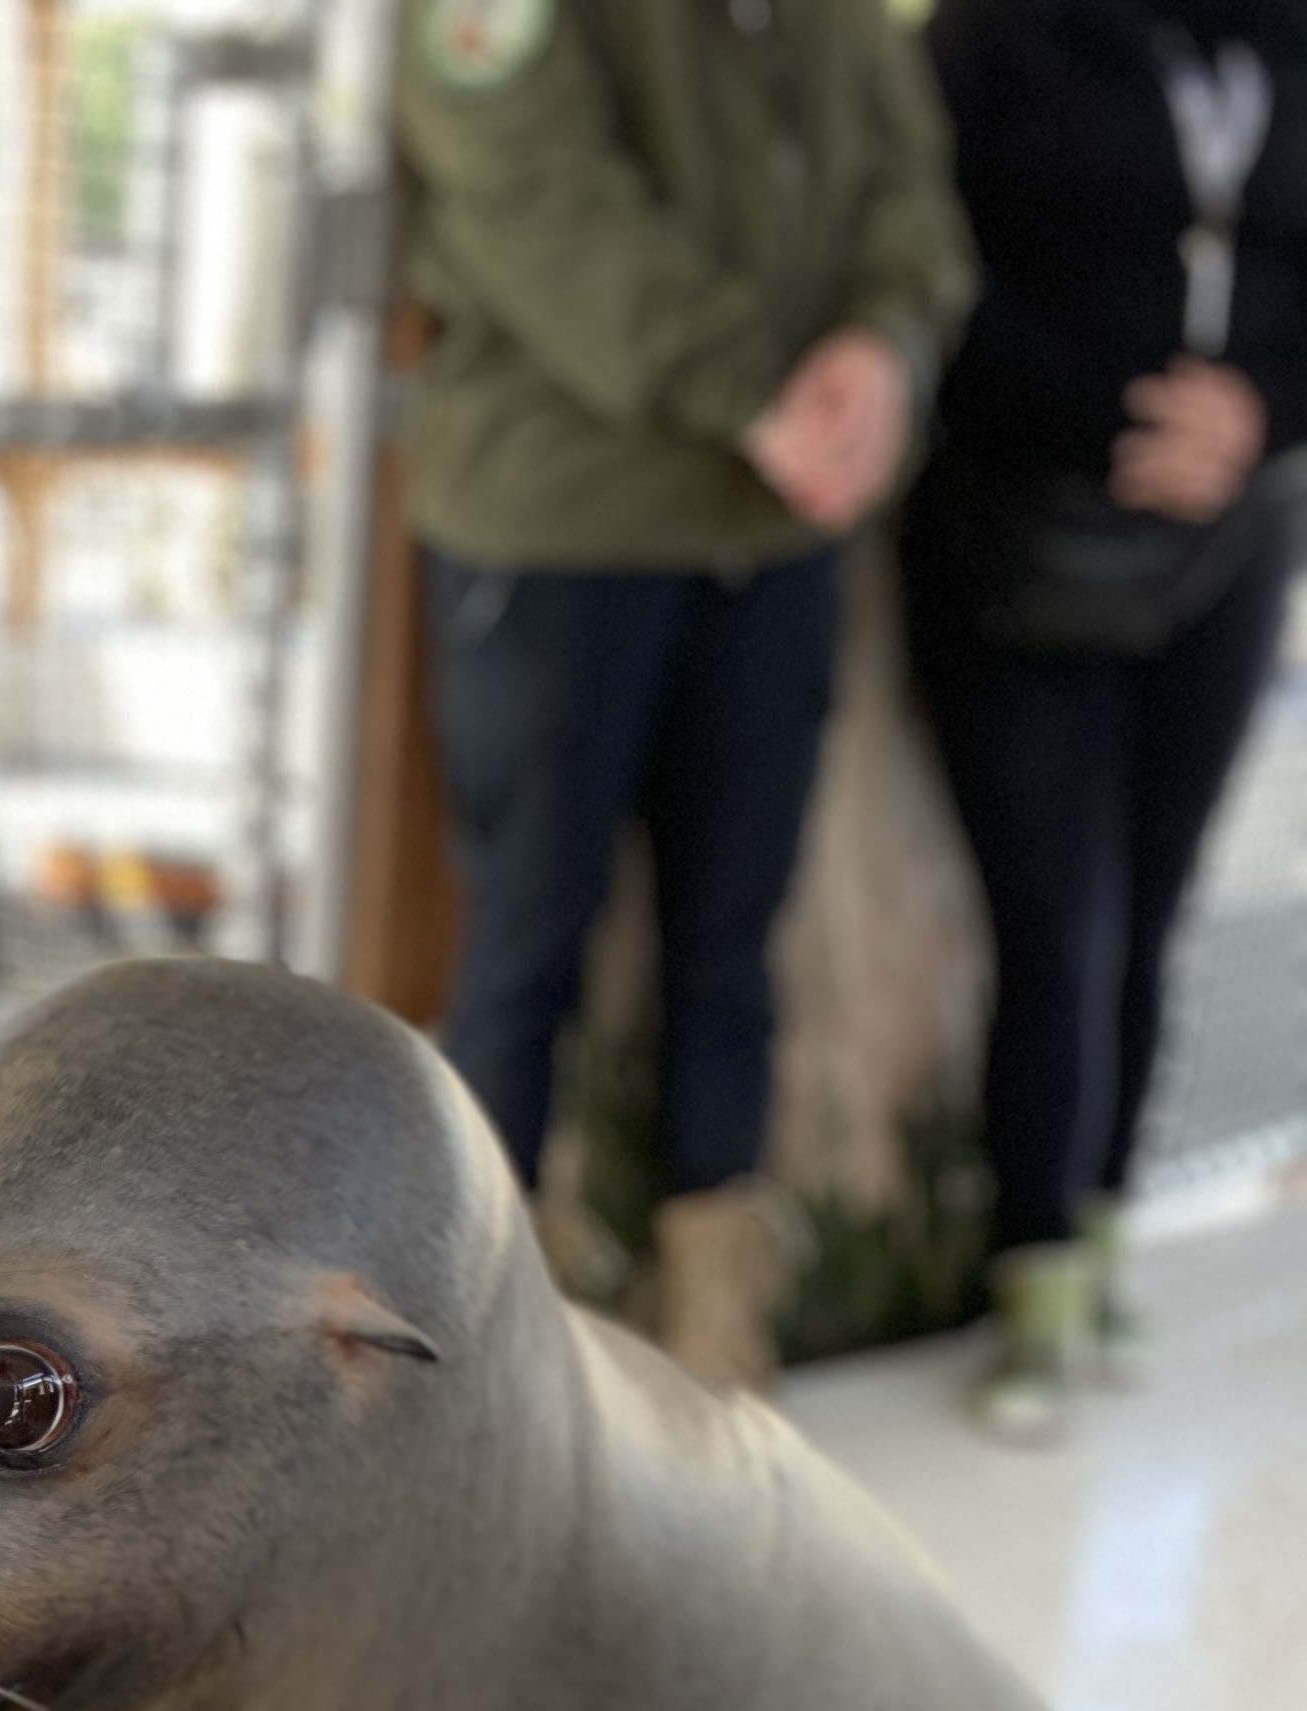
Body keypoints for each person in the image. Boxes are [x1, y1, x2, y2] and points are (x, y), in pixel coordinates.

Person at [396, 0, 973, 1391]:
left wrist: (883, 353)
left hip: (772, 537)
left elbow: (914, 199)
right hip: (561, 527)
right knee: (524, 945)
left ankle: (721, 1328)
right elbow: (533, 196)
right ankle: (472, 1353)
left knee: (734, 942)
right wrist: (754, 394)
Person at [905, 0, 1307, 1437]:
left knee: (1155, 910)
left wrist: (1258, 411)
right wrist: (1119, 421)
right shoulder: (990, 36)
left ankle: (1109, 1234)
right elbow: (932, 267)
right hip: (1018, 541)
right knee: (1051, 921)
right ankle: (1036, 1282)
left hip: (1231, 544)